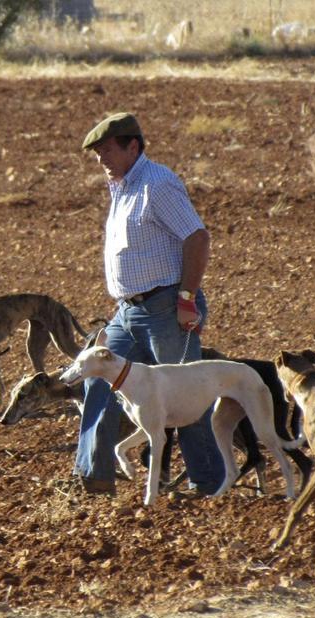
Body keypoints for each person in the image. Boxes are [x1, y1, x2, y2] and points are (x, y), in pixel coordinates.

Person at [73, 112, 225, 496]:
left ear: (133, 147)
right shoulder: (123, 186)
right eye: (96, 152)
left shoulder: (157, 184)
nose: (100, 159)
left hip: (165, 308)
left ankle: (208, 484)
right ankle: (94, 478)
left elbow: (197, 238)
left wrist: (187, 298)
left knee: (186, 394)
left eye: (106, 150)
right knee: (96, 378)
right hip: (128, 312)